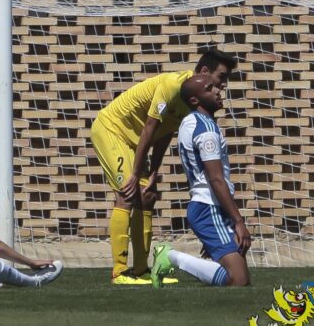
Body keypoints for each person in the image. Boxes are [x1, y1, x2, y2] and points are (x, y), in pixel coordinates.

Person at [90, 49, 238, 284]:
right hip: (112, 130)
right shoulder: (172, 85)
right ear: (205, 72)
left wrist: (154, 172)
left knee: (147, 197)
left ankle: (141, 271)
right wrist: (137, 173)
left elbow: (164, 133)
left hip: (134, 141)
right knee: (127, 194)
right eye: (221, 77)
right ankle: (119, 271)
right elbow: (151, 126)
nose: (223, 85)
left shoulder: (194, 99)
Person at [150, 75, 251, 288]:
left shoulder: (189, 121)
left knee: (238, 273)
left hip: (205, 205)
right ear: (195, 100)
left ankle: (173, 257)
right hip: (209, 207)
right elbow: (215, 178)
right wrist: (239, 221)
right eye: (209, 88)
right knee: (238, 279)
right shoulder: (206, 130)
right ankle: (170, 256)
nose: (217, 90)